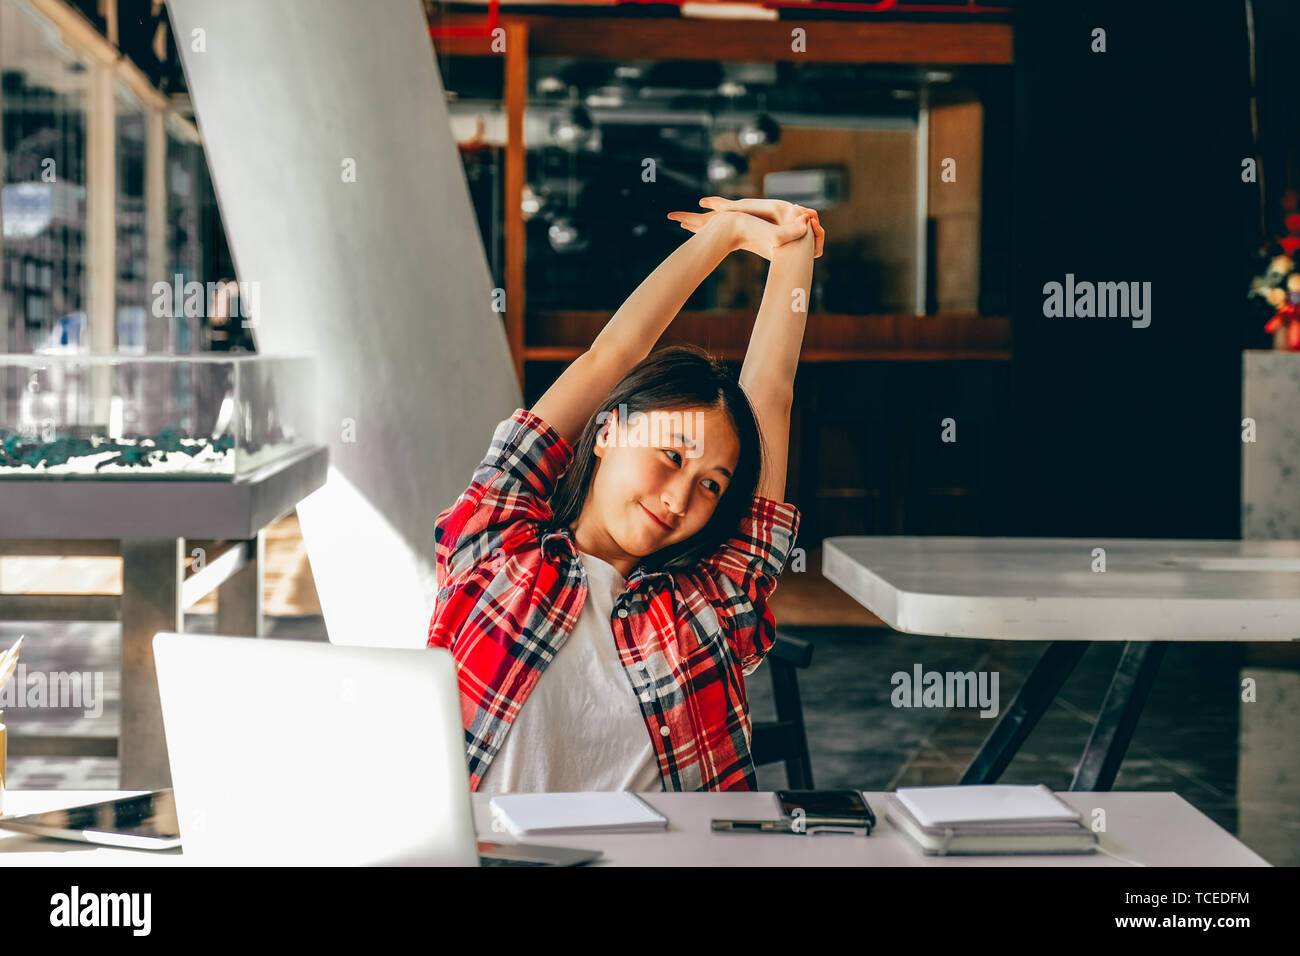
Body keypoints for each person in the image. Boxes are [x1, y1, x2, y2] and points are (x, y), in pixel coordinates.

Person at [428, 197, 824, 794]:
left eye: (711, 484)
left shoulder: (709, 604)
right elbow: (611, 355)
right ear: (610, 429)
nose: (680, 498)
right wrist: (720, 238)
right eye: (672, 456)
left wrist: (793, 245)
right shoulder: (494, 542)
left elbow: (771, 391)